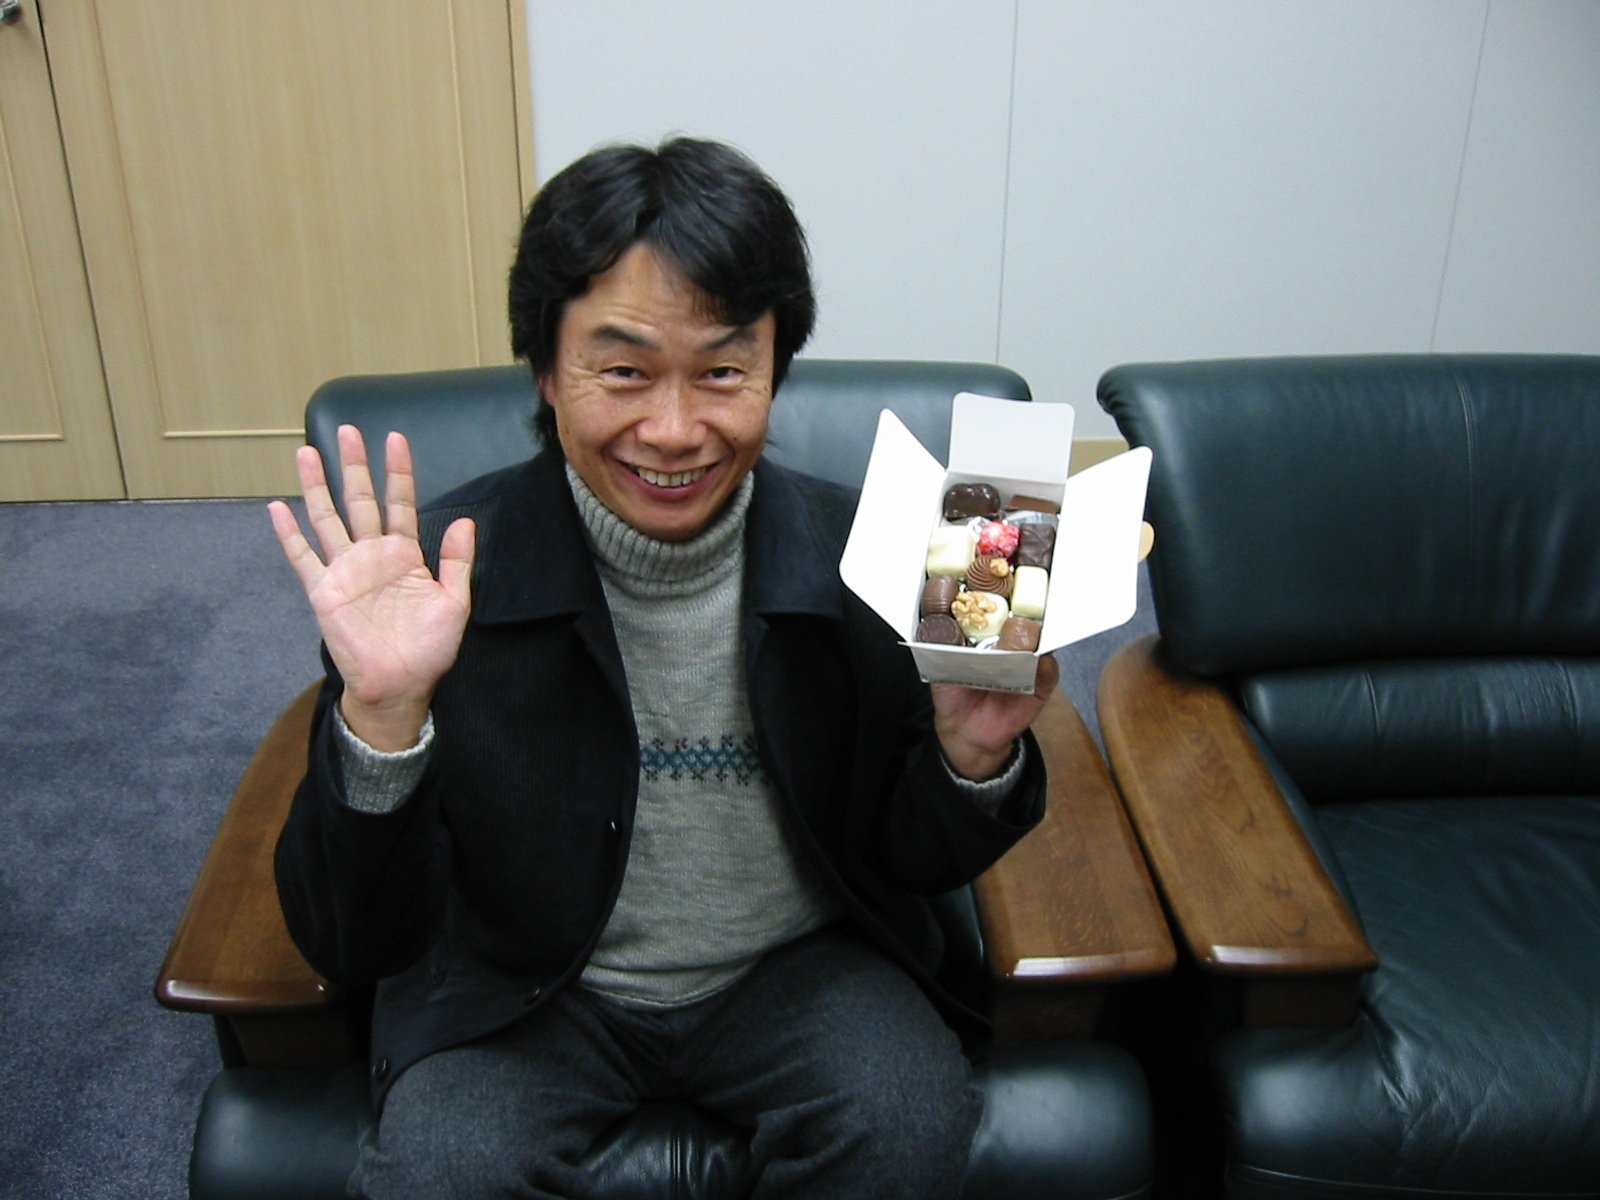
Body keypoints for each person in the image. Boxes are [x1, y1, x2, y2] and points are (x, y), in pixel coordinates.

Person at [267, 136, 1060, 1200]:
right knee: (438, 1172)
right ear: (546, 373)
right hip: (528, 984)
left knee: (907, 1119)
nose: (675, 430)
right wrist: (381, 722)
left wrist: (969, 758)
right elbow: (355, 939)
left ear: (775, 372)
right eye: (624, 371)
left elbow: (910, 860)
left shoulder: (883, 560)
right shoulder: (431, 582)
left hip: (798, 968)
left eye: (723, 372)